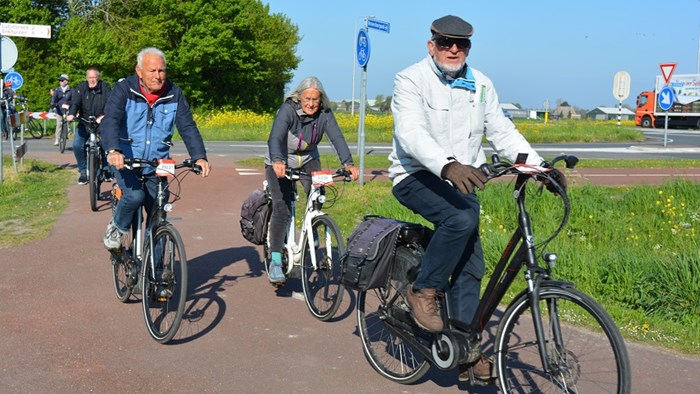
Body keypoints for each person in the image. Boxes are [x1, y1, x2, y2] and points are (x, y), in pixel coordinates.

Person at [388, 15, 565, 382]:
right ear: (431, 44)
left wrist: (540, 168)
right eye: (445, 42)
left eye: (462, 44)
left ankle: (465, 349)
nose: (454, 49)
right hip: (417, 175)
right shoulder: (411, 80)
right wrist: (447, 165)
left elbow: (502, 130)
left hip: (461, 182)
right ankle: (423, 289)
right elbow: (411, 134)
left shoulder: (480, 84)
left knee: (472, 266)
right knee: (461, 221)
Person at [100, 47, 211, 251]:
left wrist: (199, 156)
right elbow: (111, 121)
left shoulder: (174, 93)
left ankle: (158, 274)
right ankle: (117, 227)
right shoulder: (124, 89)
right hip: (126, 161)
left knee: (158, 215)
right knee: (134, 196)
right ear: (139, 71)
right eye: (152, 71)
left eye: (161, 71)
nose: (158, 76)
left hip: (157, 163)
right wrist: (114, 150)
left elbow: (187, 126)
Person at [265, 76, 359, 284]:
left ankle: (313, 228)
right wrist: (278, 161)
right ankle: (276, 261)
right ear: (300, 97)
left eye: (315, 100)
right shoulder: (288, 109)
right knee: (282, 208)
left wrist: (348, 163)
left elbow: (337, 138)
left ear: (321, 99)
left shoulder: (324, 113)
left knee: (318, 198)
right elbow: (275, 137)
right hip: (281, 159)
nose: (311, 104)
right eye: (307, 99)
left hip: (309, 159)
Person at [66, 67, 112, 185]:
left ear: (98, 78)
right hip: (84, 121)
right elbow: (75, 103)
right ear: (87, 78)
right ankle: (83, 172)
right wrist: (71, 114)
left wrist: (104, 116)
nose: (92, 80)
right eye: (90, 78)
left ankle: (106, 169)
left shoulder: (105, 88)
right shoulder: (81, 88)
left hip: (101, 121)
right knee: (77, 145)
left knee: (106, 144)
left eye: (94, 78)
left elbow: (110, 103)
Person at [50, 74, 73, 145]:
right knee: (59, 124)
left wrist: (70, 104)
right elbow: (54, 98)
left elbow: (74, 99)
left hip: (68, 109)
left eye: (62, 80)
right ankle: (57, 139)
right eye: (60, 80)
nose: (60, 82)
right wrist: (53, 104)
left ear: (66, 81)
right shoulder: (57, 90)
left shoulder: (71, 90)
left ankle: (67, 129)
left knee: (68, 120)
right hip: (59, 110)